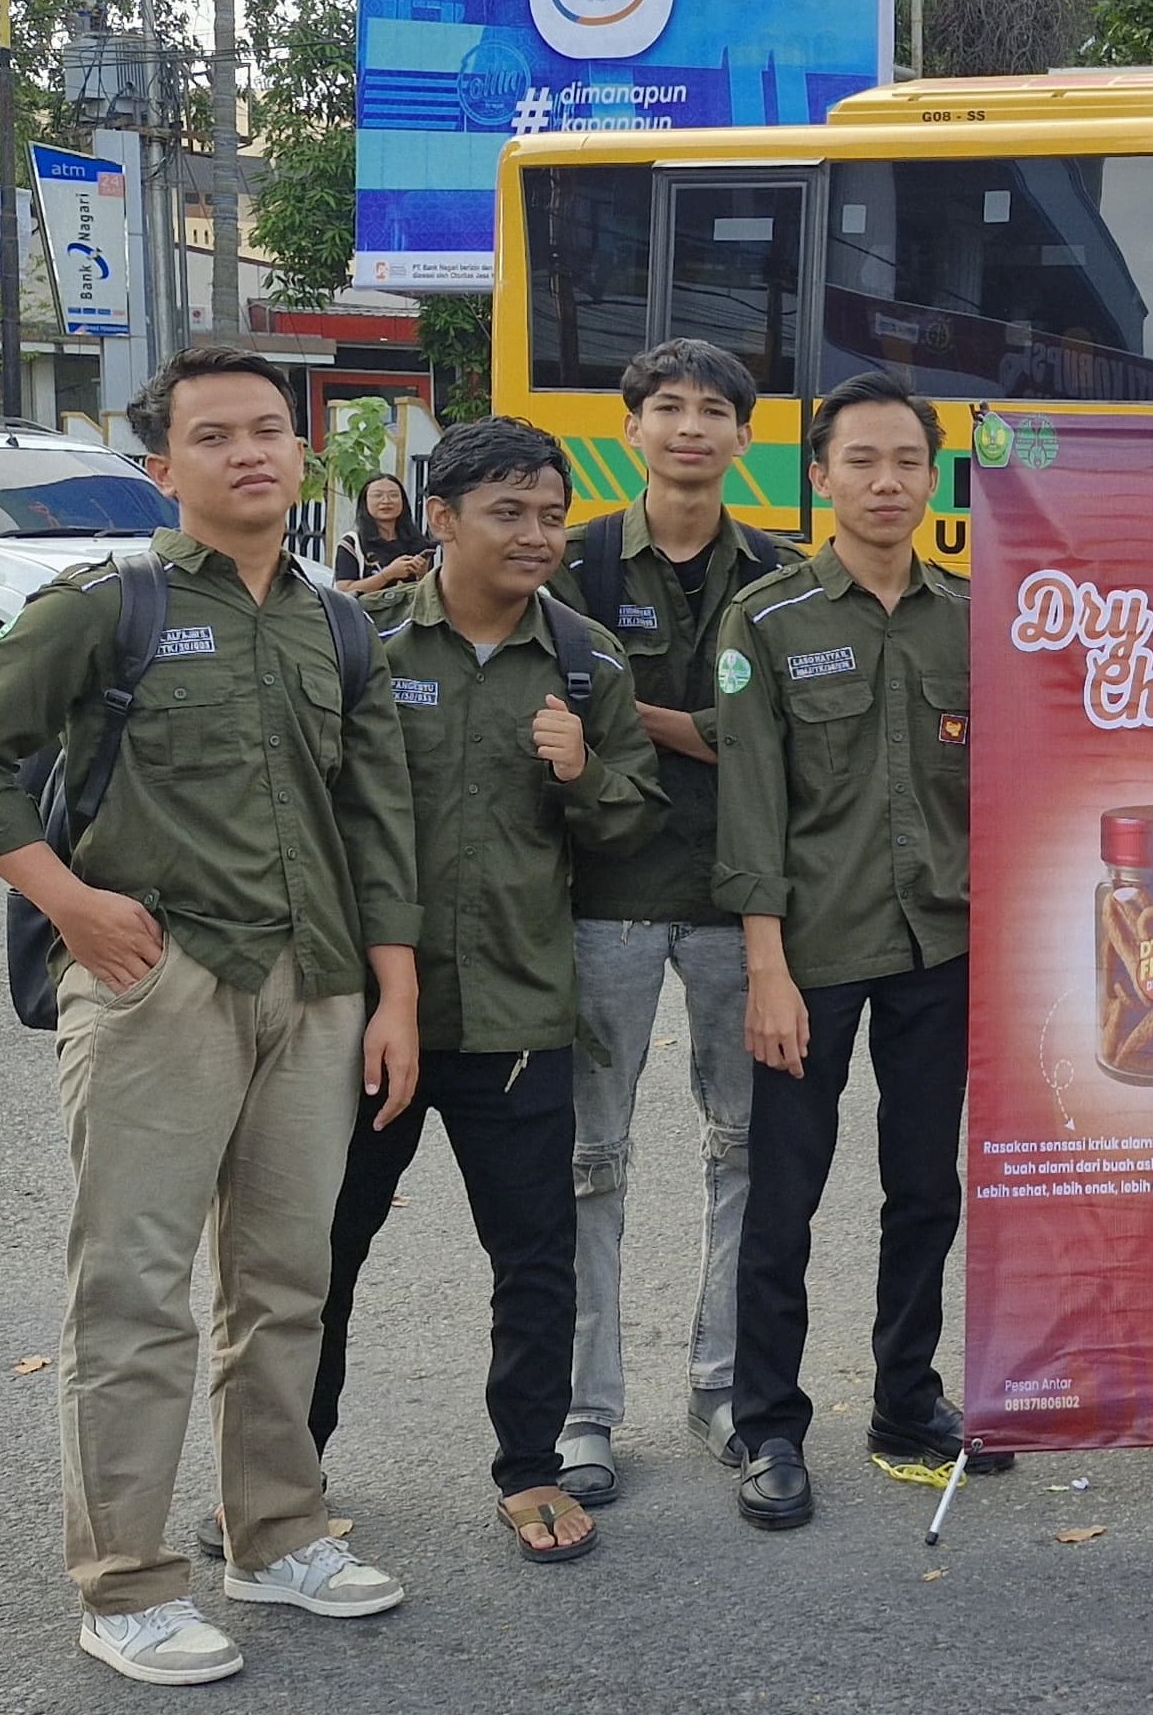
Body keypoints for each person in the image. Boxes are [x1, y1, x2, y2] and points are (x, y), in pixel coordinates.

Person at [0, 346, 422, 1683]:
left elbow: (372, 820)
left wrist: (392, 994)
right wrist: (69, 902)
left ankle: (277, 1534)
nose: (250, 452)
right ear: (162, 467)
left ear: (304, 454)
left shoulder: (338, 622)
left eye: (270, 430)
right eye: (216, 435)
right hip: (156, 983)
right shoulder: (106, 607)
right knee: (132, 1293)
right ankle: (128, 1583)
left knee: (286, 1284)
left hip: (311, 990)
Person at [309, 418, 664, 1568]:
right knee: (324, 1248)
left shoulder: (586, 660)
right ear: (443, 517)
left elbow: (631, 822)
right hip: (370, 1012)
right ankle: (287, 1469)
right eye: (509, 510)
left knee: (535, 1254)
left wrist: (583, 769)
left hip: (516, 1011)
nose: (538, 533)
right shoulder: (360, 642)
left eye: (553, 513)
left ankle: (529, 1467)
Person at [714, 371, 987, 1531]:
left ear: (935, 477)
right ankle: (767, 1424)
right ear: (816, 477)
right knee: (784, 1196)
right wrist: (764, 968)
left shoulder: (976, 612)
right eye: (861, 461)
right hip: (811, 953)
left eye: (907, 461)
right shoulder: (767, 620)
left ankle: (905, 1402)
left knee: (925, 1186)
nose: (886, 482)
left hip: (943, 943)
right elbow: (750, 810)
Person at [562, 338, 780, 1503]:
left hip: (741, 907)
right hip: (603, 903)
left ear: (744, 438)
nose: (689, 426)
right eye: (665, 407)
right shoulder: (578, 563)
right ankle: (584, 1407)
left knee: (743, 1151)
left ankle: (725, 1385)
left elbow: (777, 743)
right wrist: (693, 724)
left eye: (713, 410)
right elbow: (536, 711)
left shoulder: (783, 574)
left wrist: (623, 710)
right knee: (590, 1157)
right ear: (632, 427)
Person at [332, 471, 432, 595]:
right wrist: (388, 574)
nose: (386, 501)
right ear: (365, 502)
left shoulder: (417, 542)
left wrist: (421, 574)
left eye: (393, 495)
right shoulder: (352, 544)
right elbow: (344, 590)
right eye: (377, 495)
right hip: (365, 613)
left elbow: (428, 592)